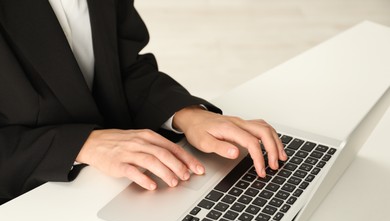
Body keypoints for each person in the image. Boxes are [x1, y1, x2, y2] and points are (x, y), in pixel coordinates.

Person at [0, 0, 287, 204]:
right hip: (29, 204)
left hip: (119, 188)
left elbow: (124, 69)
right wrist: (82, 144)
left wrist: (186, 114)